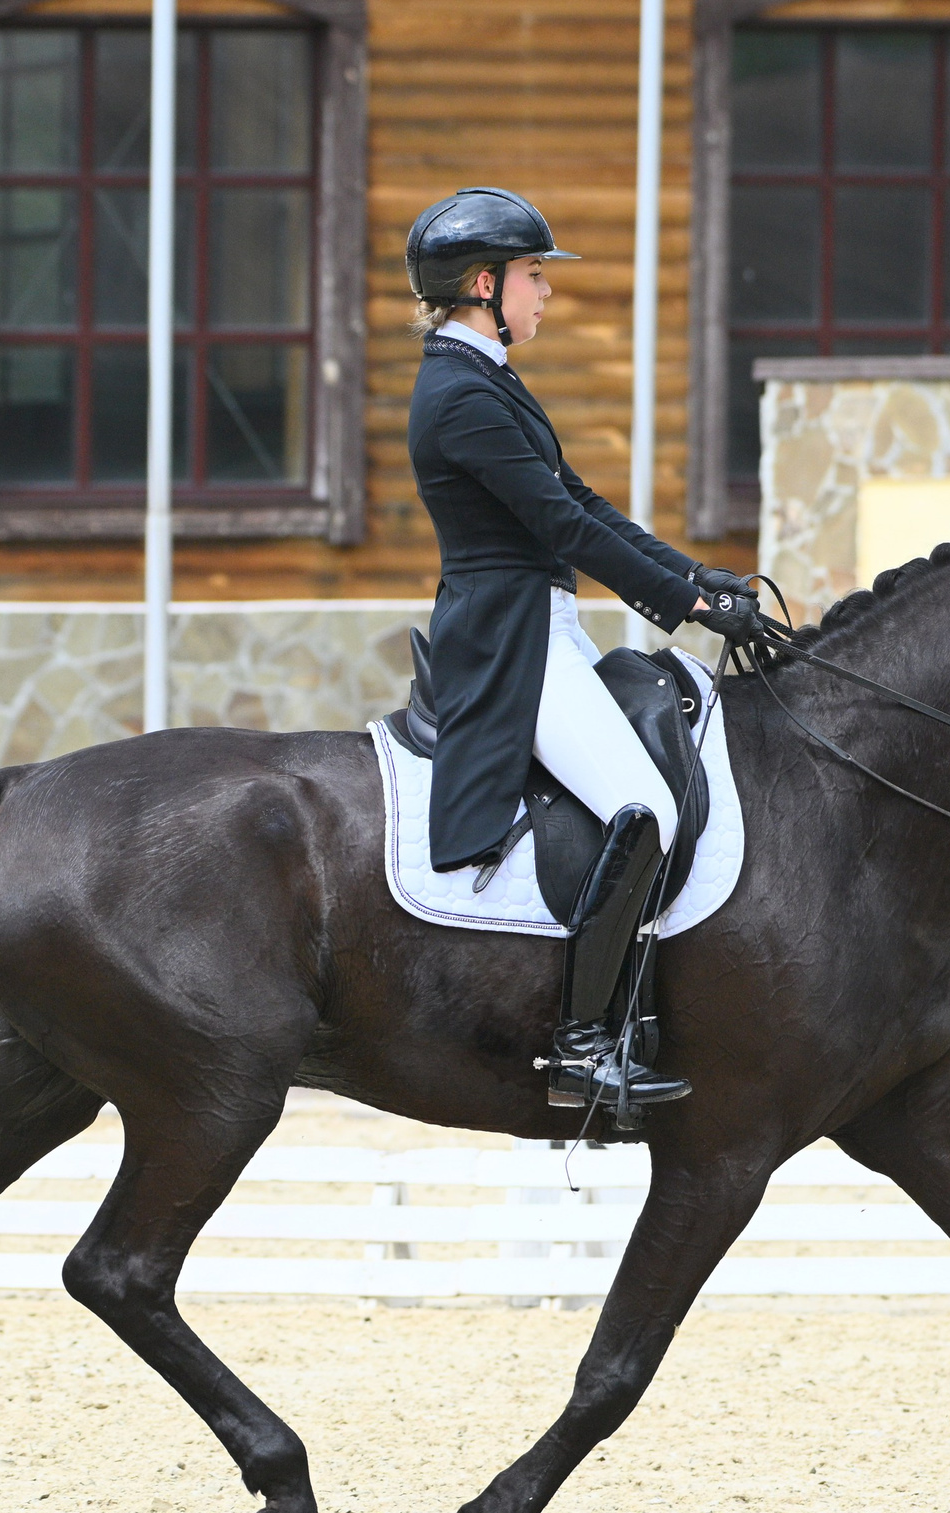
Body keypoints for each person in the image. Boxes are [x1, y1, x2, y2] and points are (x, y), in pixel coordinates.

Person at [403, 186, 762, 1113]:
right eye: (532, 276)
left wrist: (697, 579)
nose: (544, 293)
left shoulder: (489, 380)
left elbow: (587, 504)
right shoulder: (458, 394)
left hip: (543, 622)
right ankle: (583, 1045)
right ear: (483, 285)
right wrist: (683, 606)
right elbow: (559, 523)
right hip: (508, 640)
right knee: (641, 809)